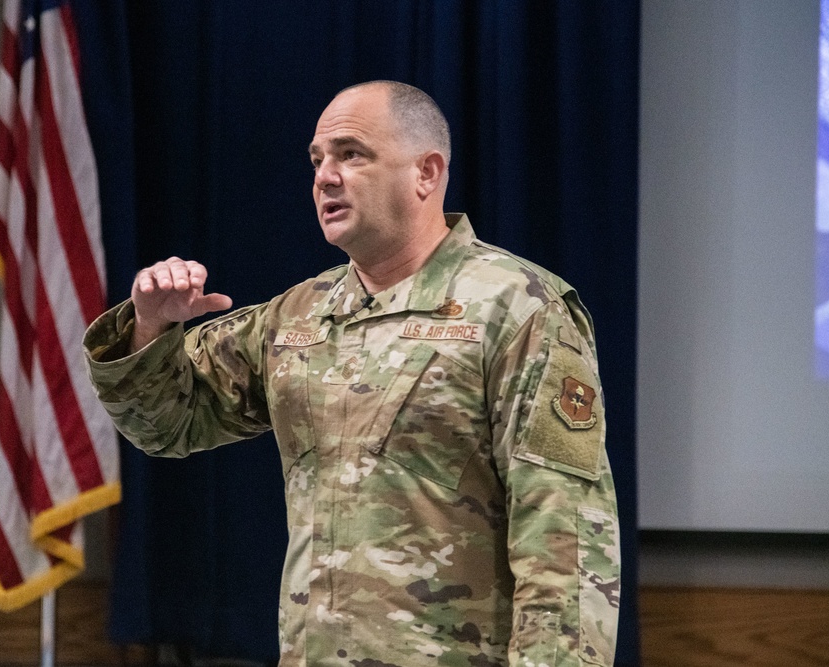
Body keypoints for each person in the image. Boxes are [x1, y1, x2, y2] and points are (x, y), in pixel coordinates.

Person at [84, 81, 619, 667]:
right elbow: (165, 425)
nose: (324, 176)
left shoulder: (518, 309)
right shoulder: (296, 316)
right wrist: (149, 328)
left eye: (351, 154)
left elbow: (565, 540)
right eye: (317, 160)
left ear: (426, 173)